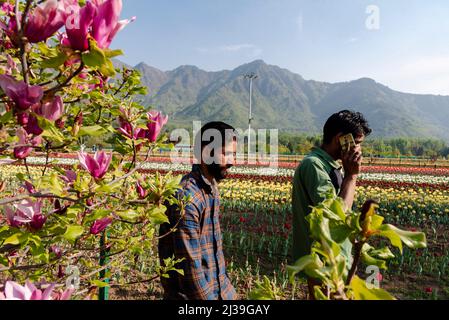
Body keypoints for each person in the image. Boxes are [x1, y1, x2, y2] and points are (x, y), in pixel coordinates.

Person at [291, 110, 372, 299]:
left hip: (335, 257)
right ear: (341, 139)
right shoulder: (314, 165)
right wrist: (351, 176)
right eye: (357, 143)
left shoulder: (330, 165)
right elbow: (335, 216)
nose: (359, 150)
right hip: (323, 260)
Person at [158, 121, 238, 300]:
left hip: (218, 291)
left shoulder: (210, 188)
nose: (232, 162)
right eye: (225, 154)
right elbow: (190, 273)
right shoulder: (187, 199)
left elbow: (214, 255)